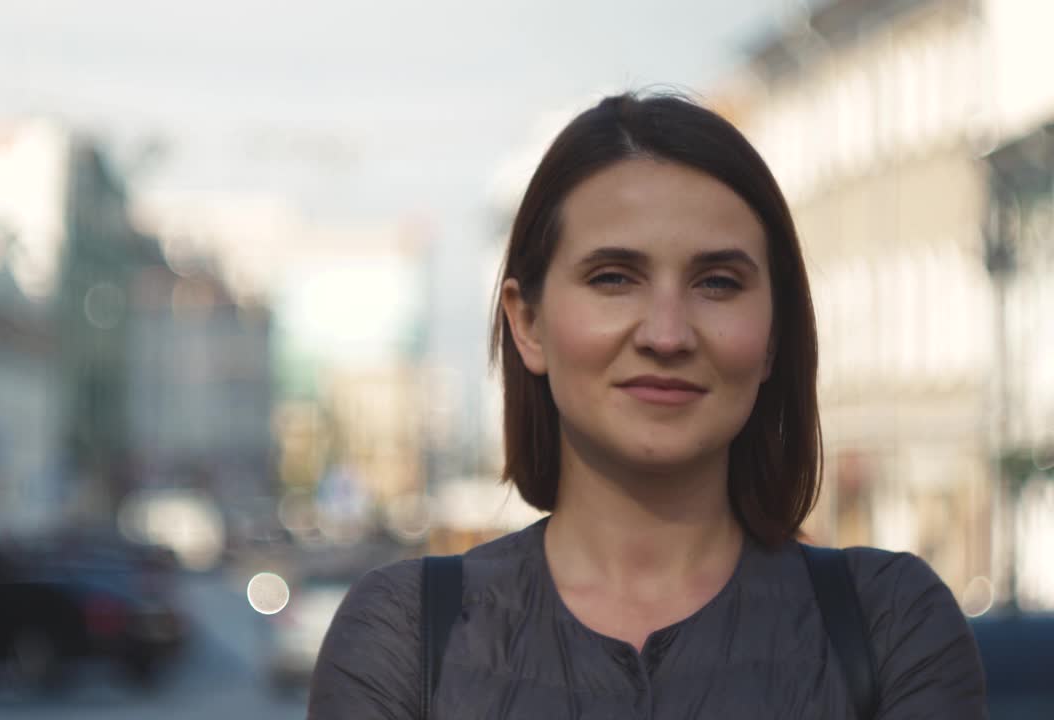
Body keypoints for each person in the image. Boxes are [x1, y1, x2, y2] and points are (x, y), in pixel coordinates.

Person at [307, 90, 987, 719]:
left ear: (775, 334)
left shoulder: (889, 624)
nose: (667, 334)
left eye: (718, 282)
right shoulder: (405, 638)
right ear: (528, 324)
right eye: (613, 278)